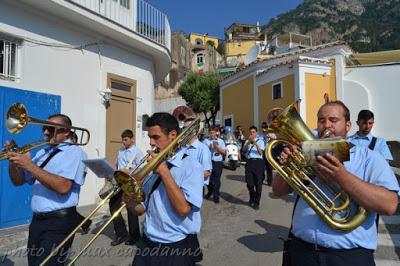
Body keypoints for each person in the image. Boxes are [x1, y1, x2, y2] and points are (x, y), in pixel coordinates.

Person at [272, 101, 399, 266]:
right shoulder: (304, 153)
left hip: (348, 257)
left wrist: (341, 176)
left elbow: (389, 205)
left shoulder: (369, 158)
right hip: (301, 251)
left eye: (333, 120)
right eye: (321, 120)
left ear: (348, 126)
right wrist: (287, 167)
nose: (326, 125)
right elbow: (278, 191)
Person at [6, 114, 87, 265]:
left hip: (59, 222)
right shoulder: (43, 152)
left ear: (66, 132)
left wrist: (30, 165)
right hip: (38, 221)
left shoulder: (75, 153)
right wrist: (14, 161)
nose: (45, 132)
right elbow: (18, 181)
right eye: (44, 128)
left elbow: (63, 187)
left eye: (50, 129)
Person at [125, 112, 203, 265]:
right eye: (150, 137)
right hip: (147, 242)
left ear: (173, 135)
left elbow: (183, 209)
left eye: (156, 137)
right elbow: (142, 209)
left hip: (176, 247)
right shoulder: (154, 165)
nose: (151, 143)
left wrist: (164, 171)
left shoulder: (191, 166)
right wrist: (129, 200)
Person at [183, 117, 212, 263]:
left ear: (194, 131)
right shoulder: (182, 147)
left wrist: (188, 175)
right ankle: (193, 252)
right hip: (181, 189)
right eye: (184, 128)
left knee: (190, 222)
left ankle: (193, 253)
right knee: (182, 221)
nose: (184, 130)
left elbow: (207, 171)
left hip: (194, 190)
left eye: (187, 128)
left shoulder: (202, 149)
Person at [109, 129, 144, 246]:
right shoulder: (121, 150)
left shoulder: (137, 152)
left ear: (132, 139)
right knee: (113, 205)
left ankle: (134, 236)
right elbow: (117, 164)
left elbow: (142, 170)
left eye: (125, 139)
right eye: (122, 139)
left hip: (129, 182)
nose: (123, 142)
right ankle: (121, 234)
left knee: (131, 209)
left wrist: (128, 171)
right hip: (119, 181)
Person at [71, 132, 92, 235]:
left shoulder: (81, 153)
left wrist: (79, 183)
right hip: (68, 183)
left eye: (71, 139)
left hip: (73, 185)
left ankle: (85, 222)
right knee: (70, 210)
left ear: (75, 140)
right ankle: (86, 222)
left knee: (69, 210)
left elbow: (84, 171)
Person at [242, 126, 266, 210]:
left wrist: (255, 143)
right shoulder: (247, 141)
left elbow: (260, 153)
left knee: (258, 183)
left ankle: (257, 202)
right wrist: (248, 142)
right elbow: (244, 150)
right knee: (249, 183)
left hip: (258, 163)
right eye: (251, 132)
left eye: (253, 132)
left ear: (256, 133)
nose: (252, 133)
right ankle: (252, 196)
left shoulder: (261, 141)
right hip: (249, 162)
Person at [203, 126, 226, 203]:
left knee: (217, 180)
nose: (211, 134)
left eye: (212, 132)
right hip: (208, 162)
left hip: (218, 162)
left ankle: (216, 196)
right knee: (208, 179)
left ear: (216, 133)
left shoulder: (221, 141)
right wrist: (209, 147)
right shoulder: (206, 141)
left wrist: (218, 148)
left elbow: (224, 152)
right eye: (210, 133)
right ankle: (210, 190)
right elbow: (202, 151)